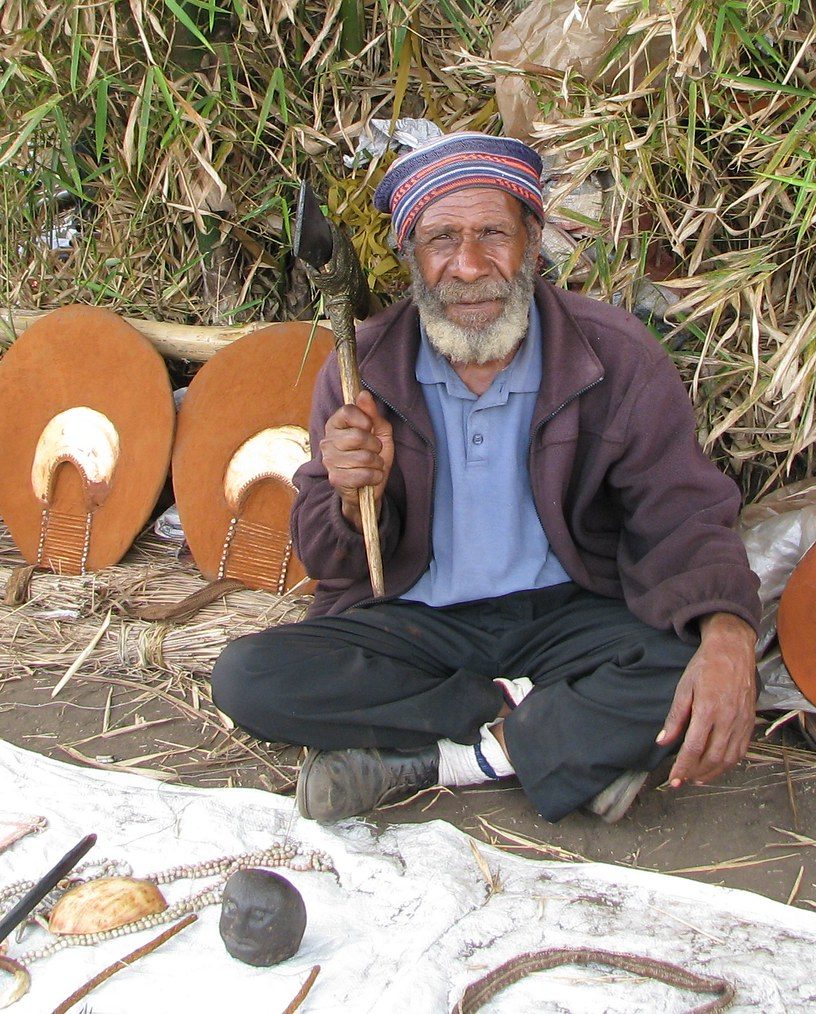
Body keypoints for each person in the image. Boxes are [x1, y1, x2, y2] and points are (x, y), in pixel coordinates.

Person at [211, 131, 761, 825]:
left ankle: (436, 759)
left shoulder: (614, 357)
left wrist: (730, 636)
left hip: (570, 612)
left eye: (492, 234)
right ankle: (553, 737)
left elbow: (682, 514)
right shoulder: (365, 371)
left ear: (532, 242)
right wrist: (354, 500)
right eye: (441, 239)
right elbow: (329, 561)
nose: (468, 266)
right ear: (411, 254)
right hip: (420, 621)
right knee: (249, 678)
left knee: (694, 669)